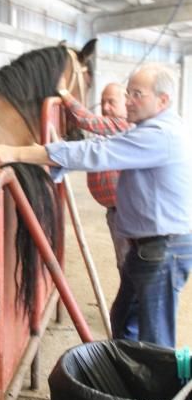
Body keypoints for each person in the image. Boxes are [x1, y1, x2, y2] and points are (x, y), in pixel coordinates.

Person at [0, 63, 192, 348]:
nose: (128, 101)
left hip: (162, 250)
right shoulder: (154, 127)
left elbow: (96, 151)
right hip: (147, 248)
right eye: (128, 93)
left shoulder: (158, 135)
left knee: (154, 338)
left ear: (162, 100)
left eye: (137, 94)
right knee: (124, 321)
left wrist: (15, 152)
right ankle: (132, 378)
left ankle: (159, 391)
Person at [58, 82, 131, 271]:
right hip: (116, 212)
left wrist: (64, 93)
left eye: (111, 102)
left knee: (130, 265)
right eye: (102, 102)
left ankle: (134, 300)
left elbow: (87, 120)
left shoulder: (123, 125)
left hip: (126, 212)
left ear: (127, 102)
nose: (105, 108)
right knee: (124, 263)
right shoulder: (109, 131)